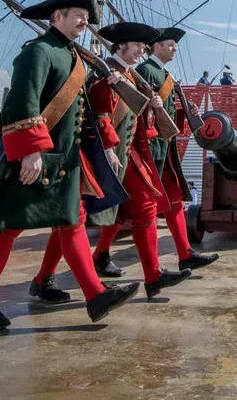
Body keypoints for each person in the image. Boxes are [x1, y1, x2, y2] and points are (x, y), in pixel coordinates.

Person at [0, 0, 138, 331]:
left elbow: (83, 112)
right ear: (56, 16)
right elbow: (22, 102)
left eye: (86, 17)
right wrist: (30, 149)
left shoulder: (74, 57)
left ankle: (95, 295)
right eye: (78, 14)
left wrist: (104, 146)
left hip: (65, 161)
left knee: (72, 223)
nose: (84, 21)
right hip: (34, 159)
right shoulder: (38, 53)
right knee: (7, 228)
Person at [80, 22, 191, 298]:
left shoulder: (127, 75)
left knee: (146, 209)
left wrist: (153, 109)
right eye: (138, 44)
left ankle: (153, 276)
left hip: (129, 154)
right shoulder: (106, 73)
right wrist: (108, 146)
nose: (142, 48)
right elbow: (101, 113)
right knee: (72, 220)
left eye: (143, 44)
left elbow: (136, 118)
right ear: (122, 46)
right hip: (109, 155)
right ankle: (45, 276)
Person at [98, 27, 217, 275]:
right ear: (157, 47)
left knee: (173, 199)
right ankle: (103, 254)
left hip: (164, 146)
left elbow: (166, 113)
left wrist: (186, 112)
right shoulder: (145, 71)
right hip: (148, 147)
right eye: (170, 45)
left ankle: (184, 254)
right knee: (134, 205)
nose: (174, 49)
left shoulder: (164, 75)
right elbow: (137, 112)